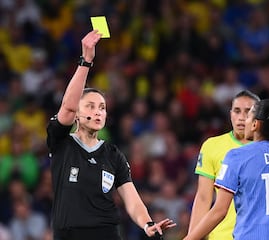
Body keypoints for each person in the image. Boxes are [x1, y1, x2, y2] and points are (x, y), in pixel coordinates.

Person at [46, 30, 176, 240]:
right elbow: (67, 108)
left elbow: (131, 199)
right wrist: (86, 61)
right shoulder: (61, 142)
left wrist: (147, 224)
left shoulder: (113, 155)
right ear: (77, 114)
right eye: (90, 106)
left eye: (102, 107)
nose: (98, 111)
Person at [184, 99, 269, 240]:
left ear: (255, 124)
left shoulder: (237, 156)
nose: (244, 120)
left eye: (248, 116)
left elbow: (219, 211)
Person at [188, 90, 260, 240]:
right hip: (222, 236)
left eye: (248, 111)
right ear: (230, 114)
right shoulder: (212, 146)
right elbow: (203, 198)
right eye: (237, 111)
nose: (241, 117)